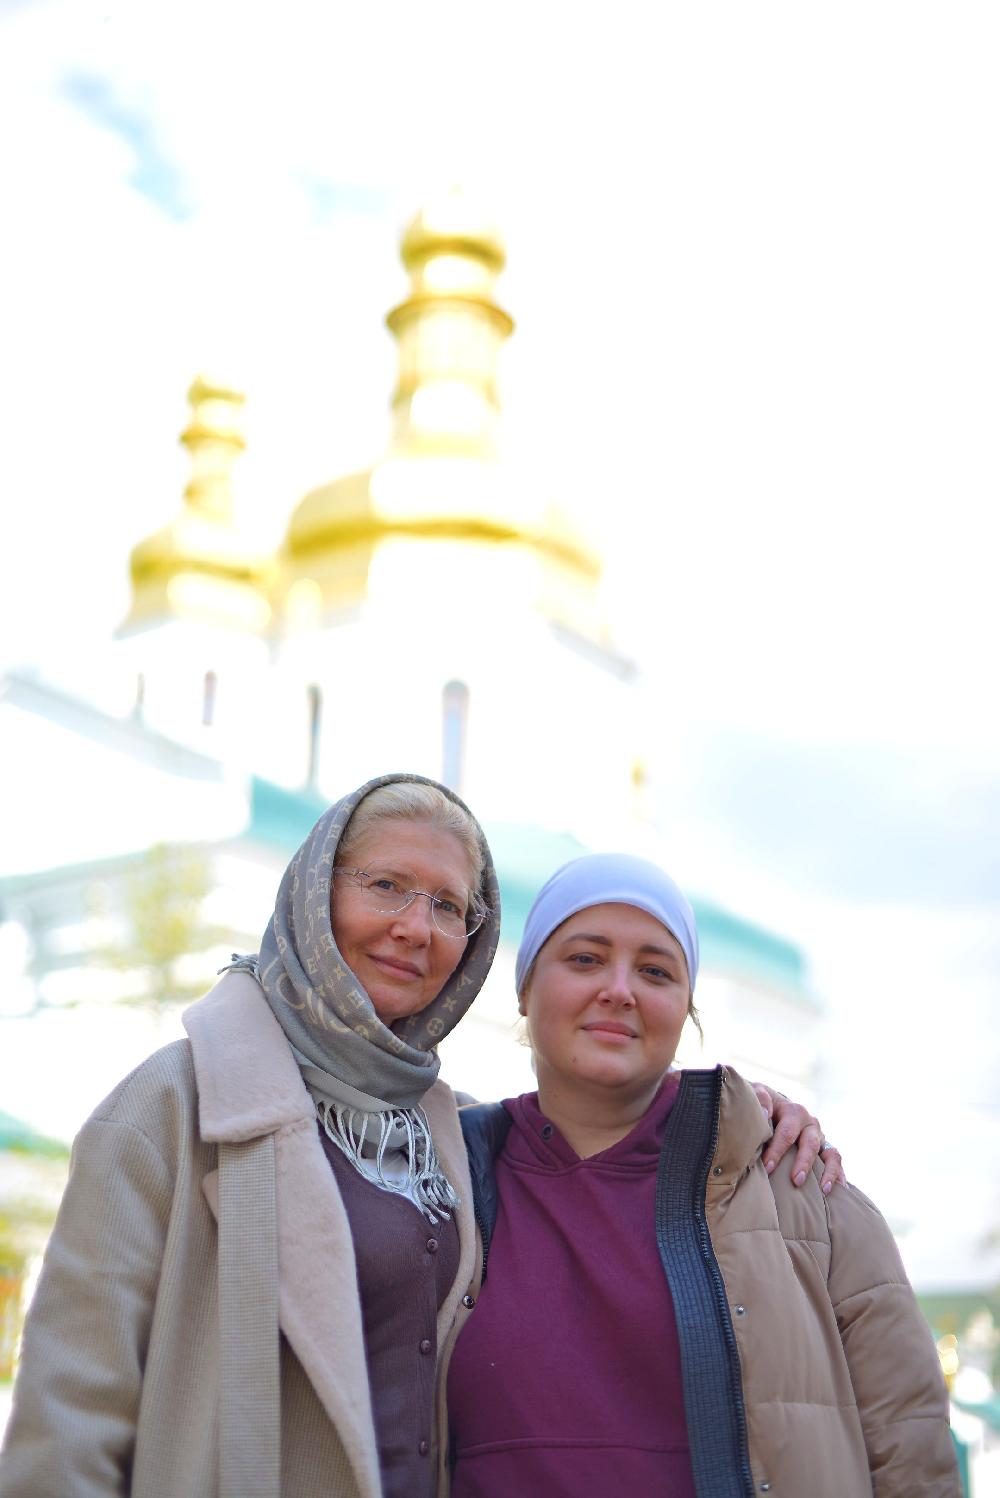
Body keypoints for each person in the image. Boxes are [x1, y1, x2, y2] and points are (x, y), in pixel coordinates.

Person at [1, 776, 842, 1498]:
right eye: (386, 886)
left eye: (448, 905)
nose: (416, 926)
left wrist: (748, 1118)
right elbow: (70, 1418)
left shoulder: (451, 1131)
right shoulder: (174, 1105)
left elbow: (596, 1133)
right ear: (315, 892)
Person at [446, 853, 960, 1498]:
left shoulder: (811, 1200)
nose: (620, 989)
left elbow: (913, 1460)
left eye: (656, 970)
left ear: (686, 1008)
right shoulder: (442, 1177)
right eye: (585, 958)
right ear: (524, 987)